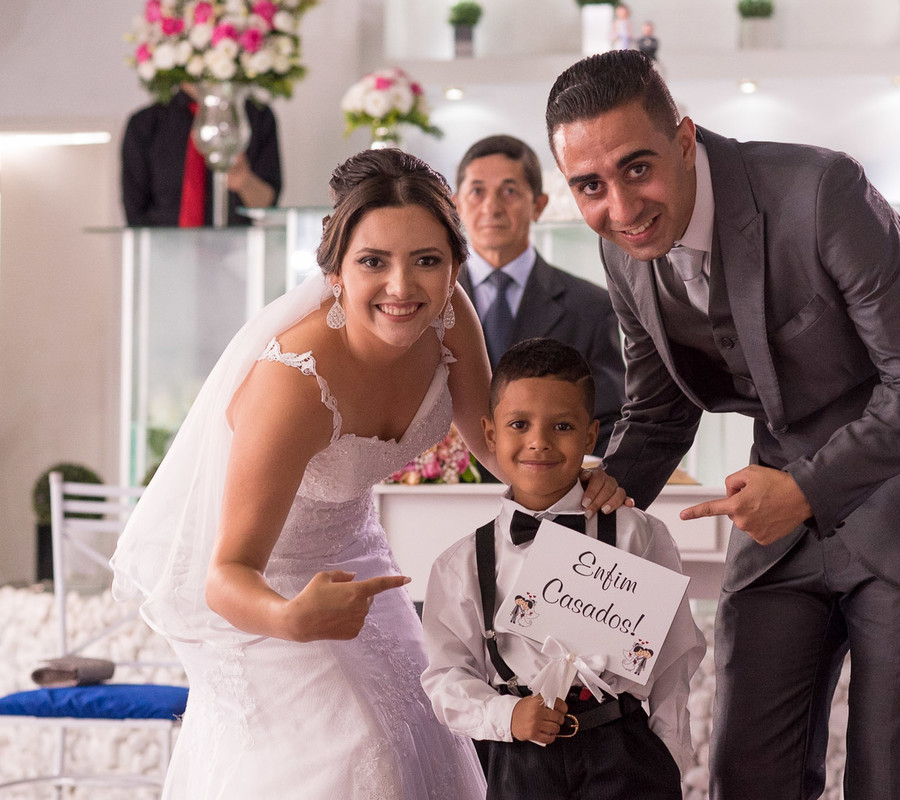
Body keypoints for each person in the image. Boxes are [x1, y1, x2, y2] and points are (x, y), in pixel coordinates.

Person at [545, 50, 900, 800]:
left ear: (683, 139)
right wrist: (582, 510)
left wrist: (803, 490)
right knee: (745, 777)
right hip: (783, 525)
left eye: (636, 168)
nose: (620, 206)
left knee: (891, 780)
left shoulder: (820, 191)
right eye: (589, 186)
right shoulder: (625, 252)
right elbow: (659, 408)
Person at [110, 148, 626, 799]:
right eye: (373, 262)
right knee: (362, 746)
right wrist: (293, 618)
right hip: (271, 595)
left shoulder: (448, 316)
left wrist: (583, 479)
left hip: (362, 566)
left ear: (455, 266)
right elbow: (226, 575)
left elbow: (496, 446)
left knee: (427, 728)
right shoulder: (294, 387)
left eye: (427, 261)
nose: (402, 287)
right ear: (334, 272)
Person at [421, 337, 705, 800]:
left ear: (591, 436)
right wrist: (503, 716)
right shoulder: (462, 564)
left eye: (562, 426)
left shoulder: (640, 536)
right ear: (490, 434)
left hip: (626, 750)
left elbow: (675, 656)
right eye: (519, 424)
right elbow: (445, 675)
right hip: (521, 759)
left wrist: (668, 751)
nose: (539, 441)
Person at [454, 134, 625, 457]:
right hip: (439, 497)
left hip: (556, 493)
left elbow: (610, 423)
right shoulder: (430, 304)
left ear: (538, 205)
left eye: (509, 191)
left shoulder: (591, 307)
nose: (491, 207)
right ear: (456, 205)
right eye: (477, 192)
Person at [121, 83, 282, 226]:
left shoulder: (256, 117)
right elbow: (135, 213)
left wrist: (244, 181)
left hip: (235, 251)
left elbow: (268, 207)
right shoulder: (145, 123)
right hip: (165, 252)